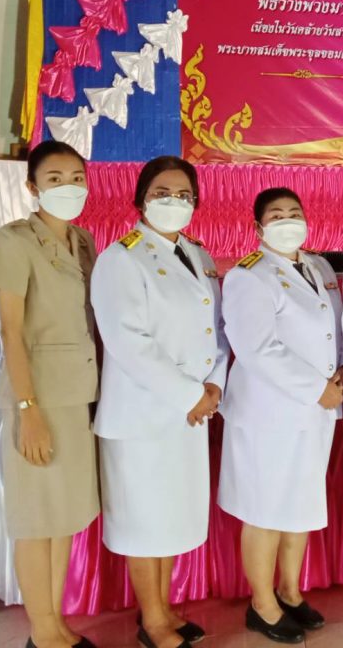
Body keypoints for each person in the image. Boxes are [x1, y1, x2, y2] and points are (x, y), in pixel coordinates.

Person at [91, 156, 229, 648]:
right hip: (143, 417)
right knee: (143, 521)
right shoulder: (121, 258)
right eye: (162, 193)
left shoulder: (195, 253)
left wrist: (213, 386)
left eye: (184, 194)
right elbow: (128, 342)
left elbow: (215, 329)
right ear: (140, 200)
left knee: (169, 517)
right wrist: (191, 394)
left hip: (189, 414)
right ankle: (152, 622)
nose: (175, 202)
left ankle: (165, 609)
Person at [217, 187, 343, 644]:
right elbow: (256, 349)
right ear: (258, 227)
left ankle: (290, 591)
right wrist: (316, 388)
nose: (288, 221)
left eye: (294, 212)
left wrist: (342, 369)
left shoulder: (317, 266)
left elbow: (334, 327)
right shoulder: (249, 275)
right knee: (266, 508)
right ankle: (262, 603)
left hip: (316, 410)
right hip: (269, 413)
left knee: (300, 503)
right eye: (276, 215)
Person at [0, 141, 99, 648]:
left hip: (78, 395)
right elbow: (10, 330)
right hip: (39, 398)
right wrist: (28, 410)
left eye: (76, 178)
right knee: (36, 519)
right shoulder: (14, 240)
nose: (68, 187)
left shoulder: (84, 241)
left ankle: (55, 624)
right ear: (33, 187)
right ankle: (43, 631)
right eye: (55, 179)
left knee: (63, 516)